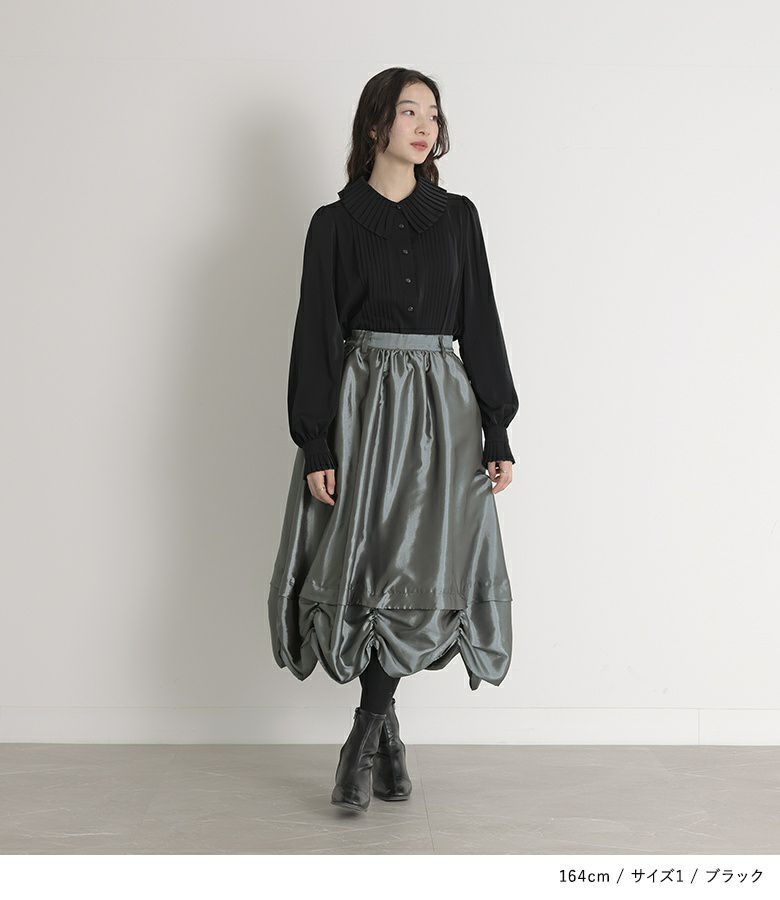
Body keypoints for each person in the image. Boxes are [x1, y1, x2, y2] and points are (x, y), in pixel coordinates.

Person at [267, 67, 519, 813]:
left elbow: (481, 321)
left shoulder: (458, 218)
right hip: (364, 410)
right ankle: (385, 735)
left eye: (433, 114)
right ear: (376, 124)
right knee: (374, 563)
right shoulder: (334, 224)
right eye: (409, 111)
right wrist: (318, 444)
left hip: (443, 412)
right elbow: (315, 335)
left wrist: (497, 426)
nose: (424, 125)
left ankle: (364, 736)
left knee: (417, 566)